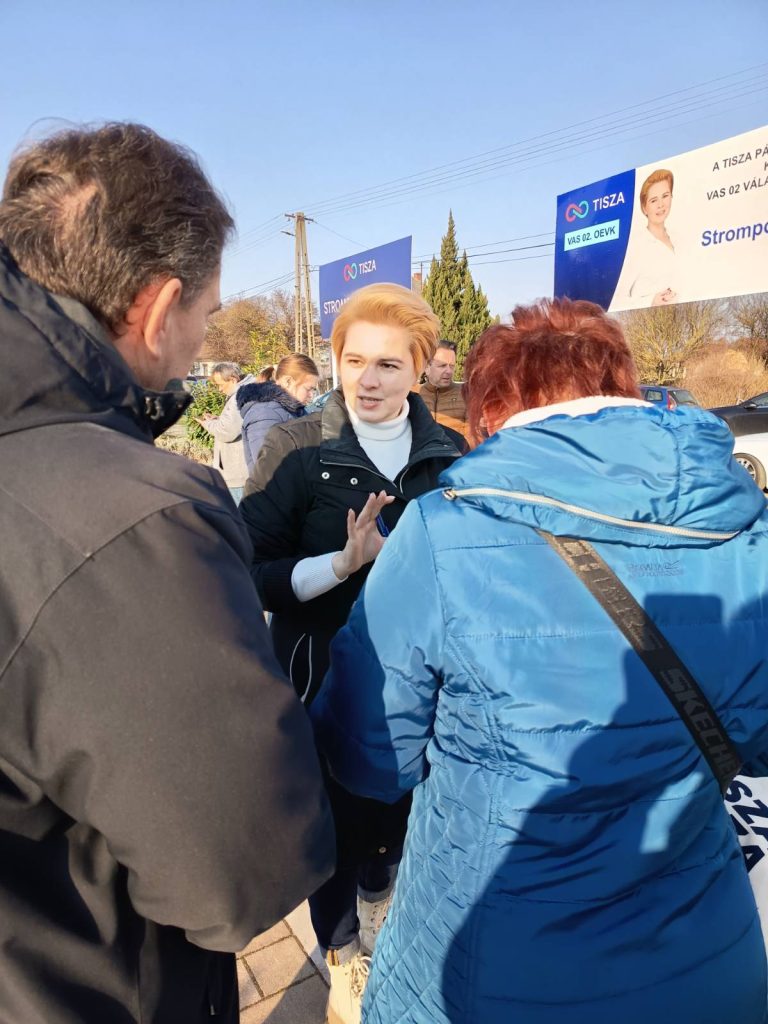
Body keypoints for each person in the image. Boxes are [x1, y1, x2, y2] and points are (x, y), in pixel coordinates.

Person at [312, 297, 768, 1024]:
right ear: (623, 388)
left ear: (492, 408)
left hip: (495, 957)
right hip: (702, 952)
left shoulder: (439, 532)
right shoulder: (744, 530)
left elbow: (368, 756)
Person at [0, 122, 334, 1024]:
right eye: (208, 316)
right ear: (158, 308)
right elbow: (241, 875)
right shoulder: (138, 519)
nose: (200, 344)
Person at [240, 282, 465, 1024]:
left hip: (422, 688)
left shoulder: (449, 453)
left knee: (399, 820)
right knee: (333, 829)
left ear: (420, 369)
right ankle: (342, 954)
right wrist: (339, 566)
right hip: (322, 682)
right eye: (354, 360)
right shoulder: (298, 450)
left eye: (389, 364)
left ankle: (383, 907)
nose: (368, 380)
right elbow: (247, 567)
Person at [237, 352, 319, 473]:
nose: (311, 395)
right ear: (288, 381)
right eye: (308, 389)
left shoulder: (295, 411)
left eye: (313, 390)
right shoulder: (264, 414)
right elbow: (270, 470)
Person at [612, 168, 681, 310]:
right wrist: (651, 301)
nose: (661, 205)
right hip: (648, 318)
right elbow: (615, 300)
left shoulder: (680, 239)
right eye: (653, 200)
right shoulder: (635, 246)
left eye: (665, 196)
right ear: (644, 207)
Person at [197, 361, 254, 503]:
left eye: (221, 385)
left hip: (237, 474)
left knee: (238, 513)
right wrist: (218, 419)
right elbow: (234, 423)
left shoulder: (238, 398)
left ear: (233, 380)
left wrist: (208, 424)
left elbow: (227, 432)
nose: (220, 390)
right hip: (239, 472)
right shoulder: (245, 393)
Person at [416, 339, 468, 436]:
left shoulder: (466, 395)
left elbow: (473, 438)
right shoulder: (412, 395)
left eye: (451, 366)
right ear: (427, 367)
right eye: (442, 366)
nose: (449, 371)